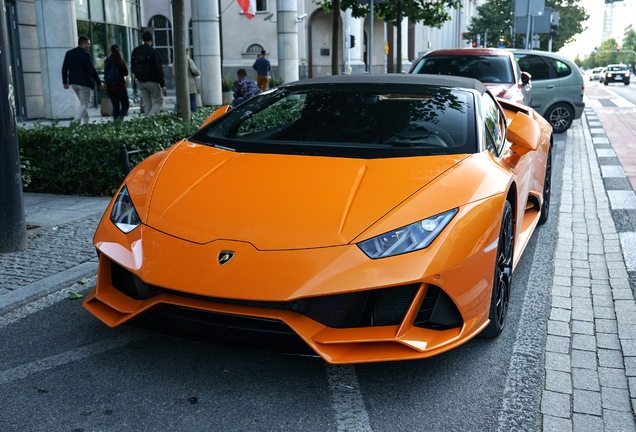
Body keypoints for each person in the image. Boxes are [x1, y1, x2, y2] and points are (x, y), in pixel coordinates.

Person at [61, 36, 102, 124]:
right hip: (84, 83)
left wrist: (65, 81)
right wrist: (99, 82)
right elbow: (91, 69)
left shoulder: (69, 53)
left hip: (73, 83)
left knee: (83, 104)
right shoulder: (85, 54)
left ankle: (86, 123)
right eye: (88, 44)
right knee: (85, 104)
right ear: (83, 44)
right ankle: (75, 122)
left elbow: (64, 68)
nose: (89, 46)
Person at [131, 31, 166, 116]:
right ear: (152, 39)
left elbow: (132, 66)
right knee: (159, 101)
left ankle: (147, 122)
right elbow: (158, 68)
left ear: (142, 39)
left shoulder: (136, 50)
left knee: (146, 103)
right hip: (152, 81)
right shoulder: (152, 51)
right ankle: (150, 117)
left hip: (141, 81)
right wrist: (162, 84)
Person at [104, 45, 129, 120]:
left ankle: (116, 123)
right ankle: (118, 120)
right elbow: (126, 72)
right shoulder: (121, 61)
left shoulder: (107, 60)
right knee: (125, 106)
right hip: (120, 87)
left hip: (110, 88)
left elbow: (106, 72)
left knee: (115, 107)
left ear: (111, 51)